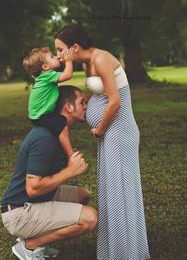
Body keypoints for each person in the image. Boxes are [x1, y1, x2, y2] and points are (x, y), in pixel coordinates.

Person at [55, 25, 150, 260]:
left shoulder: (102, 58)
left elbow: (115, 102)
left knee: (121, 189)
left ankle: (127, 252)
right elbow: (102, 95)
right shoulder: (87, 63)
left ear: (74, 47)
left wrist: (100, 129)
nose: (58, 54)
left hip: (119, 130)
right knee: (112, 188)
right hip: (111, 132)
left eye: (60, 49)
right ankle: (116, 248)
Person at [0, 85, 98, 260]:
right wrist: (70, 171)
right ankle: (30, 246)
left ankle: (38, 239)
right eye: (82, 102)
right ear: (68, 107)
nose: (86, 106)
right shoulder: (44, 138)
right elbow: (33, 188)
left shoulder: (58, 133)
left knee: (81, 195)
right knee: (90, 218)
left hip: (35, 201)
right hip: (19, 212)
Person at [23, 47, 74, 159]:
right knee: (62, 125)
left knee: (58, 123)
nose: (56, 57)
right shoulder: (47, 75)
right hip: (41, 115)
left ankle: (60, 150)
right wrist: (69, 60)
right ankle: (70, 154)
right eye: (52, 57)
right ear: (45, 67)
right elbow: (68, 75)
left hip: (37, 115)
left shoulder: (43, 76)